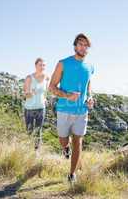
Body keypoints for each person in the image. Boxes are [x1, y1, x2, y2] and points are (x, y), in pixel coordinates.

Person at [49, 33, 95, 182]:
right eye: (80, 44)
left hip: (82, 111)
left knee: (78, 141)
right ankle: (65, 148)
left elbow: (88, 84)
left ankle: (72, 174)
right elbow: (52, 87)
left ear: (88, 48)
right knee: (63, 139)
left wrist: (89, 97)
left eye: (86, 45)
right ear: (75, 46)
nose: (83, 47)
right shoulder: (63, 63)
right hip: (63, 109)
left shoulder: (90, 66)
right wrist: (67, 96)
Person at [23, 58, 49, 150]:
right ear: (36, 66)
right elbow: (25, 94)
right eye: (40, 65)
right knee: (29, 131)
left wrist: (45, 99)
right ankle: (28, 150)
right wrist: (30, 93)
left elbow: (45, 92)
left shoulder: (46, 78)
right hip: (29, 108)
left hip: (41, 108)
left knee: (38, 131)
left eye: (44, 65)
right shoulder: (29, 78)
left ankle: (36, 152)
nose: (42, 67)